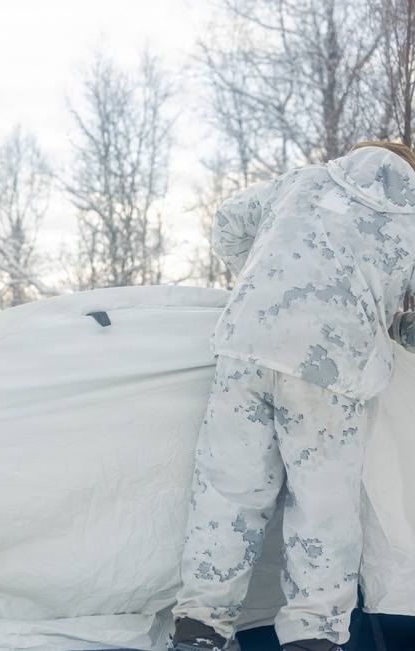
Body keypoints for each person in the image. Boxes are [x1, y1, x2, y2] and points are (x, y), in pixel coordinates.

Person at [169, 141, 415, 651]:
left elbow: (228, 221)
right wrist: (394, 326)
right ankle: (313, 636)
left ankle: (199, 629)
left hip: (248, 343)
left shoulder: (303, 180)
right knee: (322, 506)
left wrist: (264, 277)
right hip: (331, 366)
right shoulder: (411, 218)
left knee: (227, 493)